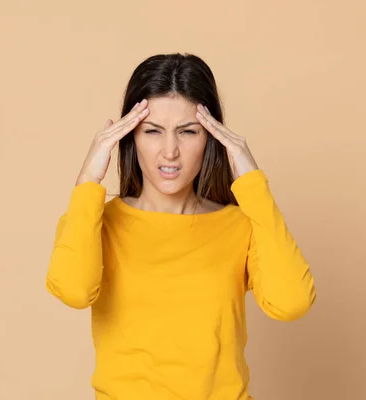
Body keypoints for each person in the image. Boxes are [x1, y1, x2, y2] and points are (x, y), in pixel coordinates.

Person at [45, 52, 317, 400]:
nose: (170, 151)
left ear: (211, 139)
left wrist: (253, 183)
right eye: (153, 131)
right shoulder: (95, 221)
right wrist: (88, 180)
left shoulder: (239, 225)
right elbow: (73, 290)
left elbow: (291, 302)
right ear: (130, 137)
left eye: (187, 132)